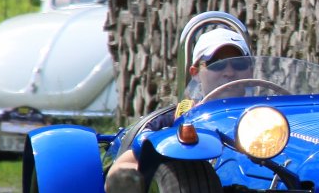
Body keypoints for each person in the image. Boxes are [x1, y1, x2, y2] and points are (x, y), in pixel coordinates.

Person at [106, 28, 252, 182]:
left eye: (239, 63)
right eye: (216, 64)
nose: (229, 72)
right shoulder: (173, 120)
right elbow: (122, 169)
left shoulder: (265, 118)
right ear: (195, 73)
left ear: (251, 70)